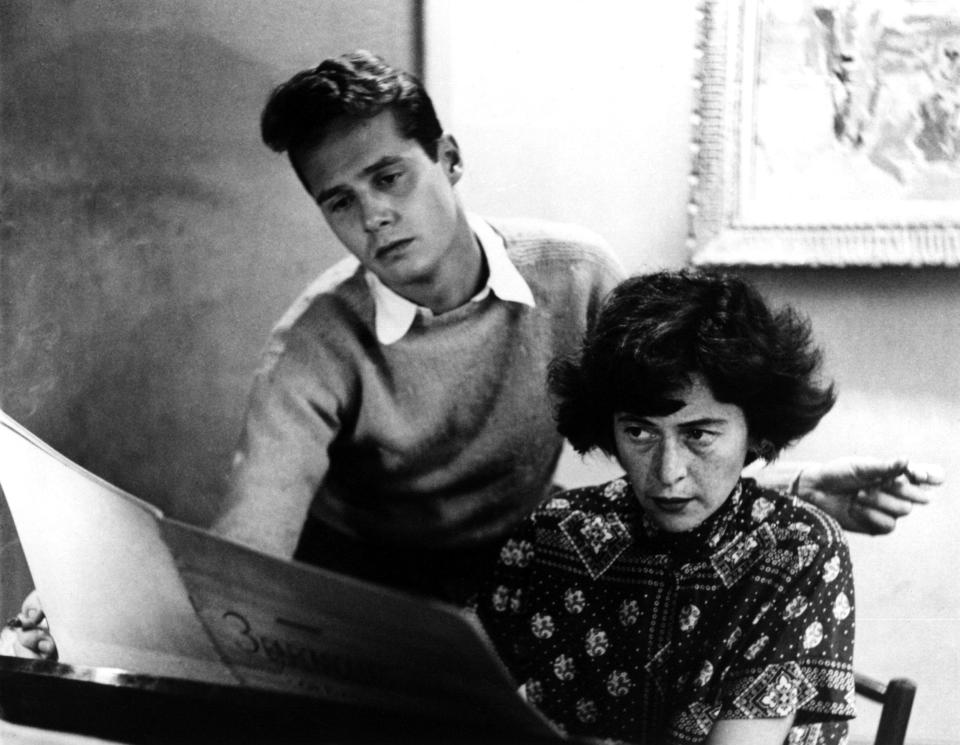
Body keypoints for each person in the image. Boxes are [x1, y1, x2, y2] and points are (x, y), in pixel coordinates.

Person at [0, 51, 941, 659]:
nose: (371, 214)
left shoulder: (578, 276)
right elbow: (253, 549)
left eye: (389, 176)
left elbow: (679, 429)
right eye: (337, 199)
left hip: (524, 593)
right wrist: (110, 602)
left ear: (449, 157)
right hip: (354, 620)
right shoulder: (317, 342)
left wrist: (796, 488)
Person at [477, 270, 856, 745]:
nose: (667, 472)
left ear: (755, 430)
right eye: (639, 432)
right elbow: (457, 694)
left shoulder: (795, 550)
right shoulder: (558, 529)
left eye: (698, 434)